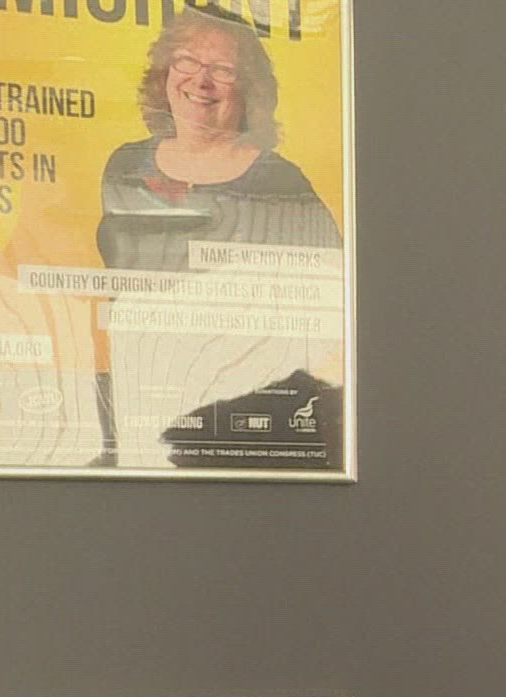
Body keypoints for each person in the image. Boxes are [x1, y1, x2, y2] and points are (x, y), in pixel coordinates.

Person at [96, 7, 343, 468]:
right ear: (165, 72)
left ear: (248, 89)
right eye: (186, 61)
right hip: (142, 406)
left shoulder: (282, 186)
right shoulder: (124, 167)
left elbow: (332, 316)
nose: (200, 81)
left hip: (237, 425)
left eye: (223, 70)